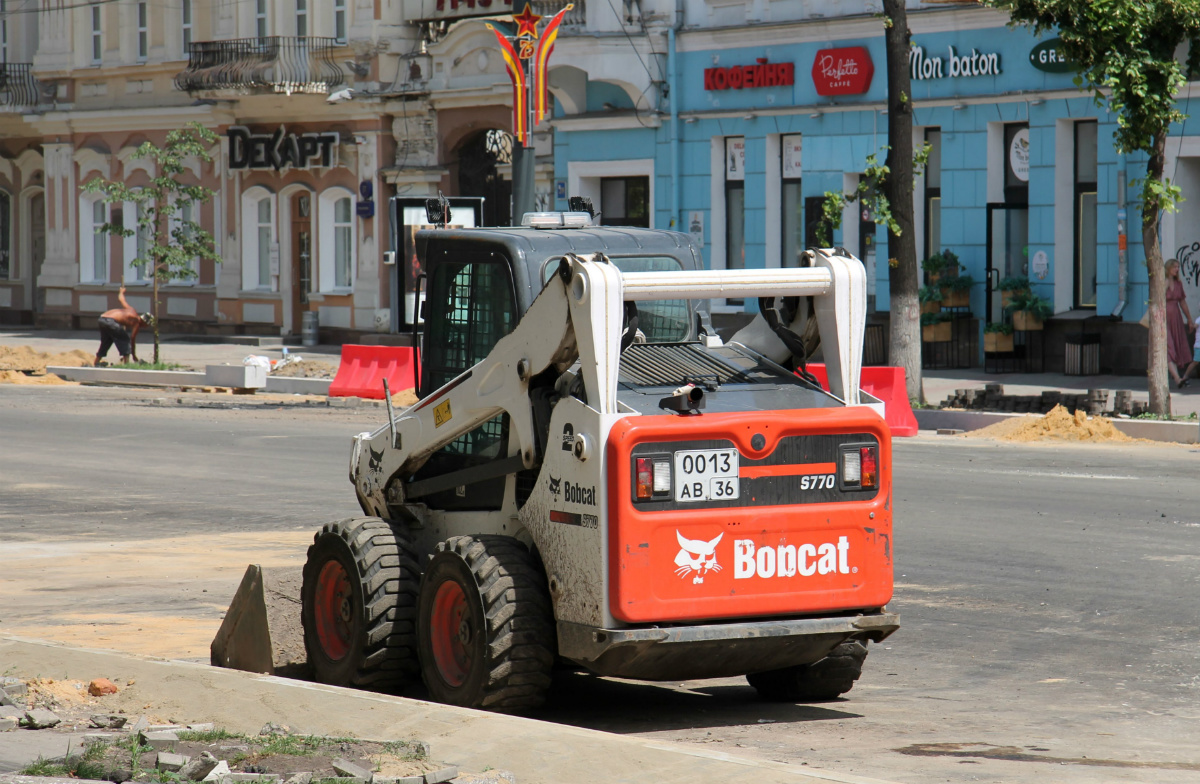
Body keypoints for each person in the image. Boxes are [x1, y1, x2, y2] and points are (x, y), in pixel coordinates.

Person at [95, 286, 151, 367]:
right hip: (111, 321)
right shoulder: (137, 323)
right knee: (125, 339)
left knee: (107, 341)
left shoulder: (131, 310)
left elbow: (122, 300)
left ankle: (96, 362)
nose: (146, 327)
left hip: (102, 318)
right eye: (147, 325)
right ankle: (126, 364)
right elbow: (132, 340)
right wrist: (134, 355)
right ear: (144, 322)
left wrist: (121, 292)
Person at [1164, 259, 1194, 389]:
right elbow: (1157, 298)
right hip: (1164, 319)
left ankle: (1178, 378)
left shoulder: (1178, 283)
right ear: (1168, 268)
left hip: (1176, 318)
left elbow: (1182, 302)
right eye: (1175, 267)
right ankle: (1177, 378)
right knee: (1169, 348)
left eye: (1178, 267)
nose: (1177, 269)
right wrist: (1165, 284)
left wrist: (1189, 318)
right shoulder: (1162, 282)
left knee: (1175, 347)